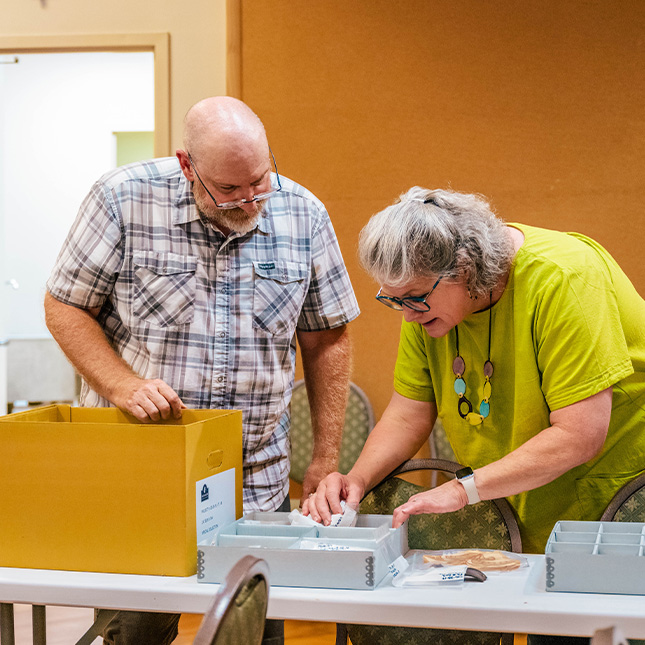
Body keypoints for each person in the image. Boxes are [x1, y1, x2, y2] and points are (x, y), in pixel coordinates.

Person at [44, 96, 359, 645]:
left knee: (255, 629)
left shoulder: (302, 212)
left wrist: (325, 457)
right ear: (187, 165)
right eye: (229, 189)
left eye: (258, 181)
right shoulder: (123, 199)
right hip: (145, 462)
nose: (248, 200)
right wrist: (121, 384)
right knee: (138, 629)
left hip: (253, 469)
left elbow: (328, 336)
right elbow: (64, 305)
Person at [304, 186, 645, 644]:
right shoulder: (427, 310)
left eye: (414, 299)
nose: (406, 316)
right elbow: (408, 412)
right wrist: (357, 480)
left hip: (619, 500)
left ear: (465, 269)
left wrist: (464, 490)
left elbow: (580, 435)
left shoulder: (563, 278)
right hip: (530, 491)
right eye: (393, 300)